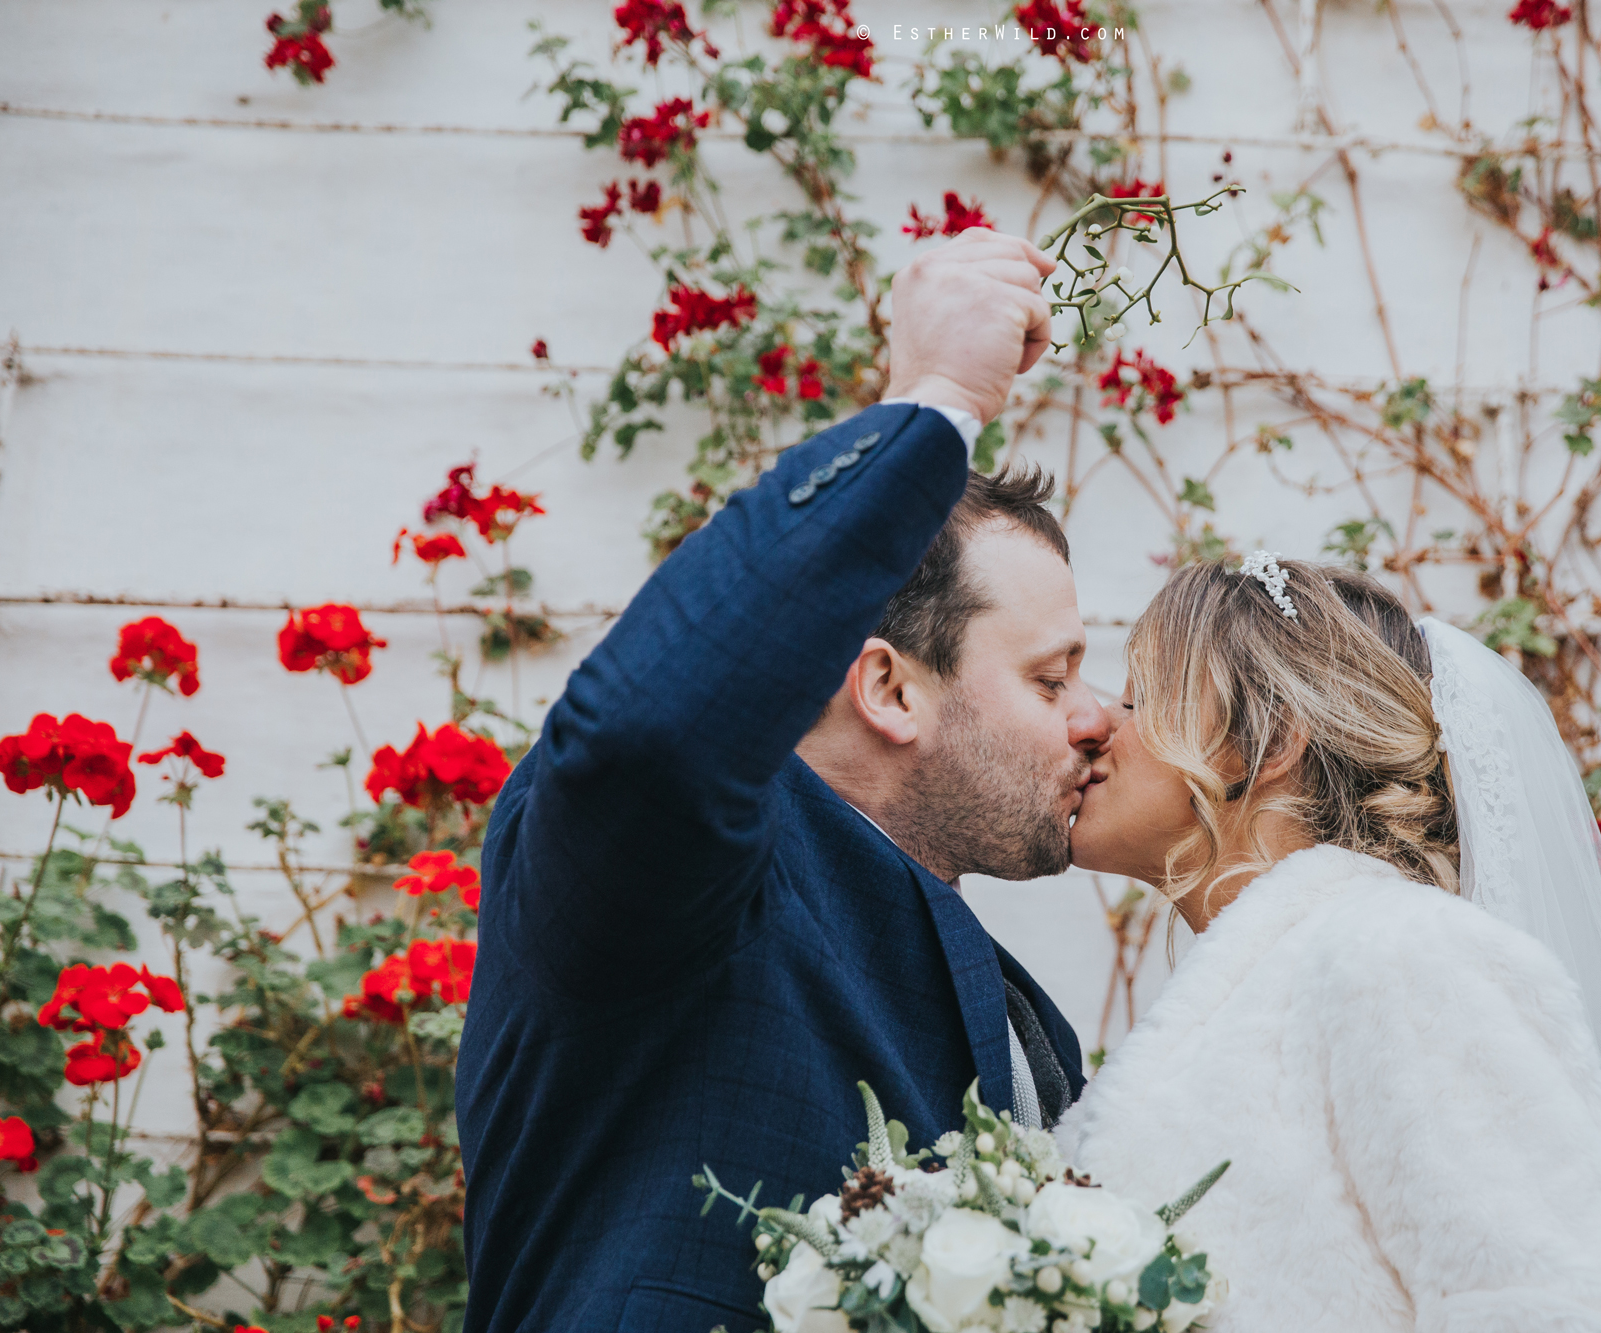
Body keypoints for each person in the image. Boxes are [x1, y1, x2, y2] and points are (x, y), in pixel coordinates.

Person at [455, 230, 1112, 1332]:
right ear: (890, 690)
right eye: (1050, 678)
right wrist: (934, 399)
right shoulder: (679, 886)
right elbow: (647, 735)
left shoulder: (1013, 1009)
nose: (1094, 717)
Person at [1059, 557, 1601, 1332]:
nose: (1095, 726)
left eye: (1140, 697)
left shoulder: (1403, 956)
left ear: (1271, 738)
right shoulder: (1264, 981)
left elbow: (1574, 1312)